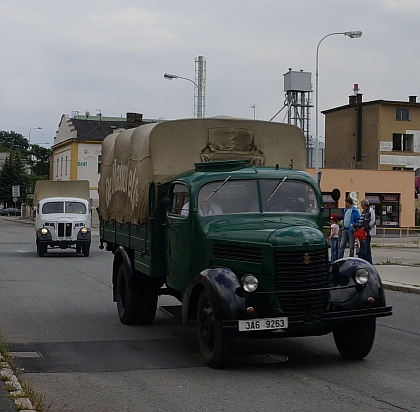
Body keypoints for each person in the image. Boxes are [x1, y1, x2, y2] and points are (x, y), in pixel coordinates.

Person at [357, 198, 376, 264]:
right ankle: (364, 260)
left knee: (367, 247)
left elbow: (373, 221)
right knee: (364, 247)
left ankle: (369, 261)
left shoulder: (370, 211)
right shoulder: (364, 211)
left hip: (367, 232)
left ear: (365, 205)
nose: (361, 206)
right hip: (362, 232)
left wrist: (366, 228)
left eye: (361, 204)